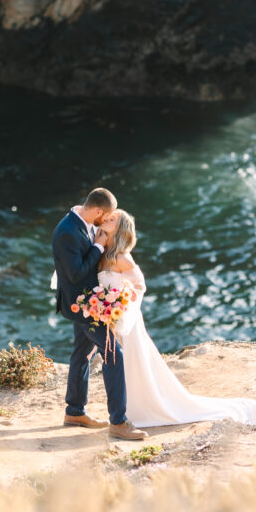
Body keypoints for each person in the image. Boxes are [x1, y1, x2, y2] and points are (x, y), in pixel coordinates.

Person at [98, 209, 256, 428]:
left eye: (112, 219)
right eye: (107, 217)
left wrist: (120, 306)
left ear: (120, 229)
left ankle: (137, 409)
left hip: (125, 319)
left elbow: (139, 285)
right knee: (122, 363)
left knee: (132, 361)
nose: (106, 220)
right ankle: (125, 408)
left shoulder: (122, 258)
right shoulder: (104, 251)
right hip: (111, 319)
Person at [51, 188, 147, 440]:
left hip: (89, 303)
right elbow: (75, 272)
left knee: (82, 354)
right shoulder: (67, 232)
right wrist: (98, 246)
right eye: (104, 217)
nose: (104, 222)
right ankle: (118, 421)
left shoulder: (82, 222)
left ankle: (74, 411)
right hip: (85, 307)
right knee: (114, 355)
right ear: (98, 211)